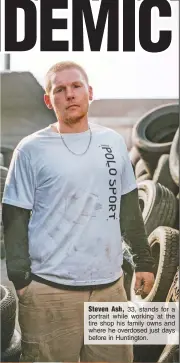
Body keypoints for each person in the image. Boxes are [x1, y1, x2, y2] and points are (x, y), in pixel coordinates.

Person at [2, 61, 155, 362]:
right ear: (49, 100)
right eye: (60, 89)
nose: (69, 94)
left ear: (89, 92)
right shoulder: (31, 149)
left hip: (111, 292)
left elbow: (128, 208)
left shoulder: (111, 142)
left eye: (76, 86)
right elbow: (14, 216)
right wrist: (21, 280)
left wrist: (144, 260)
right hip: (51, 293)